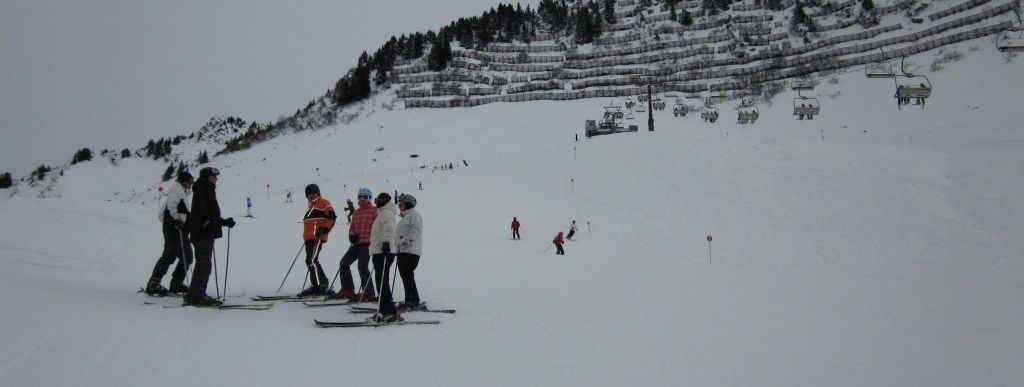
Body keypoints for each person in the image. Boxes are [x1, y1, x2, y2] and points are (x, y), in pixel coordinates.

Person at [185, 167, 235, 306]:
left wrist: (222, 222)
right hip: (202, 234)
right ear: (207, 177)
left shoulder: (206, 189)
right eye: (214, 176)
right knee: (203, 265)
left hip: (204, 233)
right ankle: (197, 296)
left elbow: (210, 214)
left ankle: (195, 295)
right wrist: (207, 223)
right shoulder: (203, 189)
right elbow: (200, 212)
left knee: (204, 264)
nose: (216, 178)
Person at [144, 171, 194, 296]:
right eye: (189, 181)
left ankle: (176, 282)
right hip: (175, 231)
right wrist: (175, 220)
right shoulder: (178, 192)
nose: (191, 184)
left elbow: (162, 214)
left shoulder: (179, 192)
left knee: (187, 256)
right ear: (183, 181)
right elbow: (171, 206)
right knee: (168, 256)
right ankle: (153, 284)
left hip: (179, 232)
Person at [330, 188, 377, 302]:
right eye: (360, 196)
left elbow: (378, 226)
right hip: (357, 243)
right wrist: (351, 236)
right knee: (344, 263)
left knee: (362, 266)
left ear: (369, 198)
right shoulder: (356, 212)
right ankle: (348, 289)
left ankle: (369, 292)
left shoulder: (374, 211)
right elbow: (352, 227)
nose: (362, 199)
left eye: (365, 197)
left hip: (368, 243)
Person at [299, 183, 336, 296]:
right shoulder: (311, 208)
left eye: (314, 193)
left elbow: (332, 217)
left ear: (318, 193)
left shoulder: (323, 203)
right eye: (309, 194)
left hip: (317, 237)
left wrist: (324, 230)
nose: (311, 196)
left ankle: (320, 285)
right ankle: (318, 284)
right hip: (309, 238)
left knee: (312, 260)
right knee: (310, 261)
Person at [369, 192, 400, 322]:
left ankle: (390, 312)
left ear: (384, 201)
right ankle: (383, 310)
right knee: (381, 282)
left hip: (383, 251)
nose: (376, 202)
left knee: (382, 282)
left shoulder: (386, 212)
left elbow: (390, 228)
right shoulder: (383, 212)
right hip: (380, 251)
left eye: (378, 200)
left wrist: (386, 242)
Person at [395, 194, 424, 310]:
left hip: (410, 251)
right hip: (403, 251)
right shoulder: (405, 217)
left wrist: (407, 240)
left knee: (407, 275)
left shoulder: (414, 215)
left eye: (401, 204)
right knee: (405, 275)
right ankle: (409, 299)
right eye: (399, 204)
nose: (399, 206)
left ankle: (414, 300)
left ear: (408, 204)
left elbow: (415, 230)